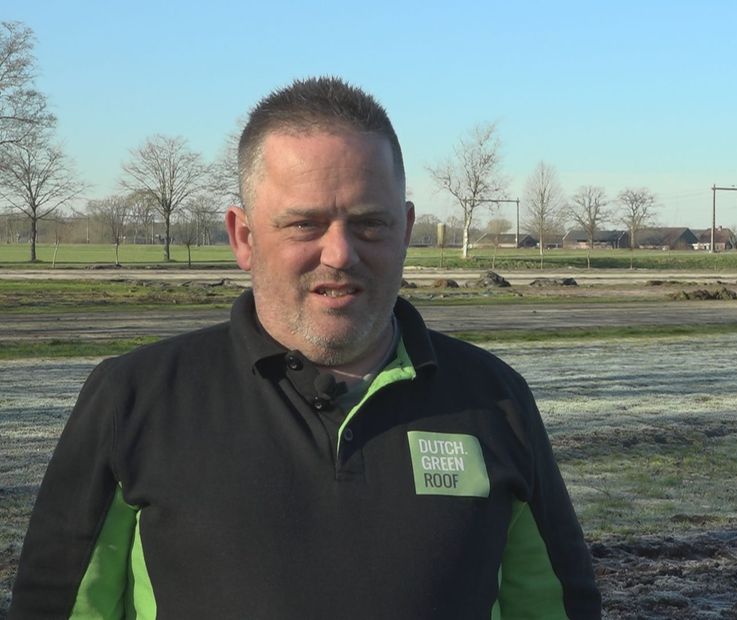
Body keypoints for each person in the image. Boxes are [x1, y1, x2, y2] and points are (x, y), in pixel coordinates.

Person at [12, 77, 601, 619]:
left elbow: (554, 605)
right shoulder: (135, 399)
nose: (340, 253)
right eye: (304, 224)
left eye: (370, 223)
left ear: (405, 227)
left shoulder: (493, 398)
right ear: (243, 236)